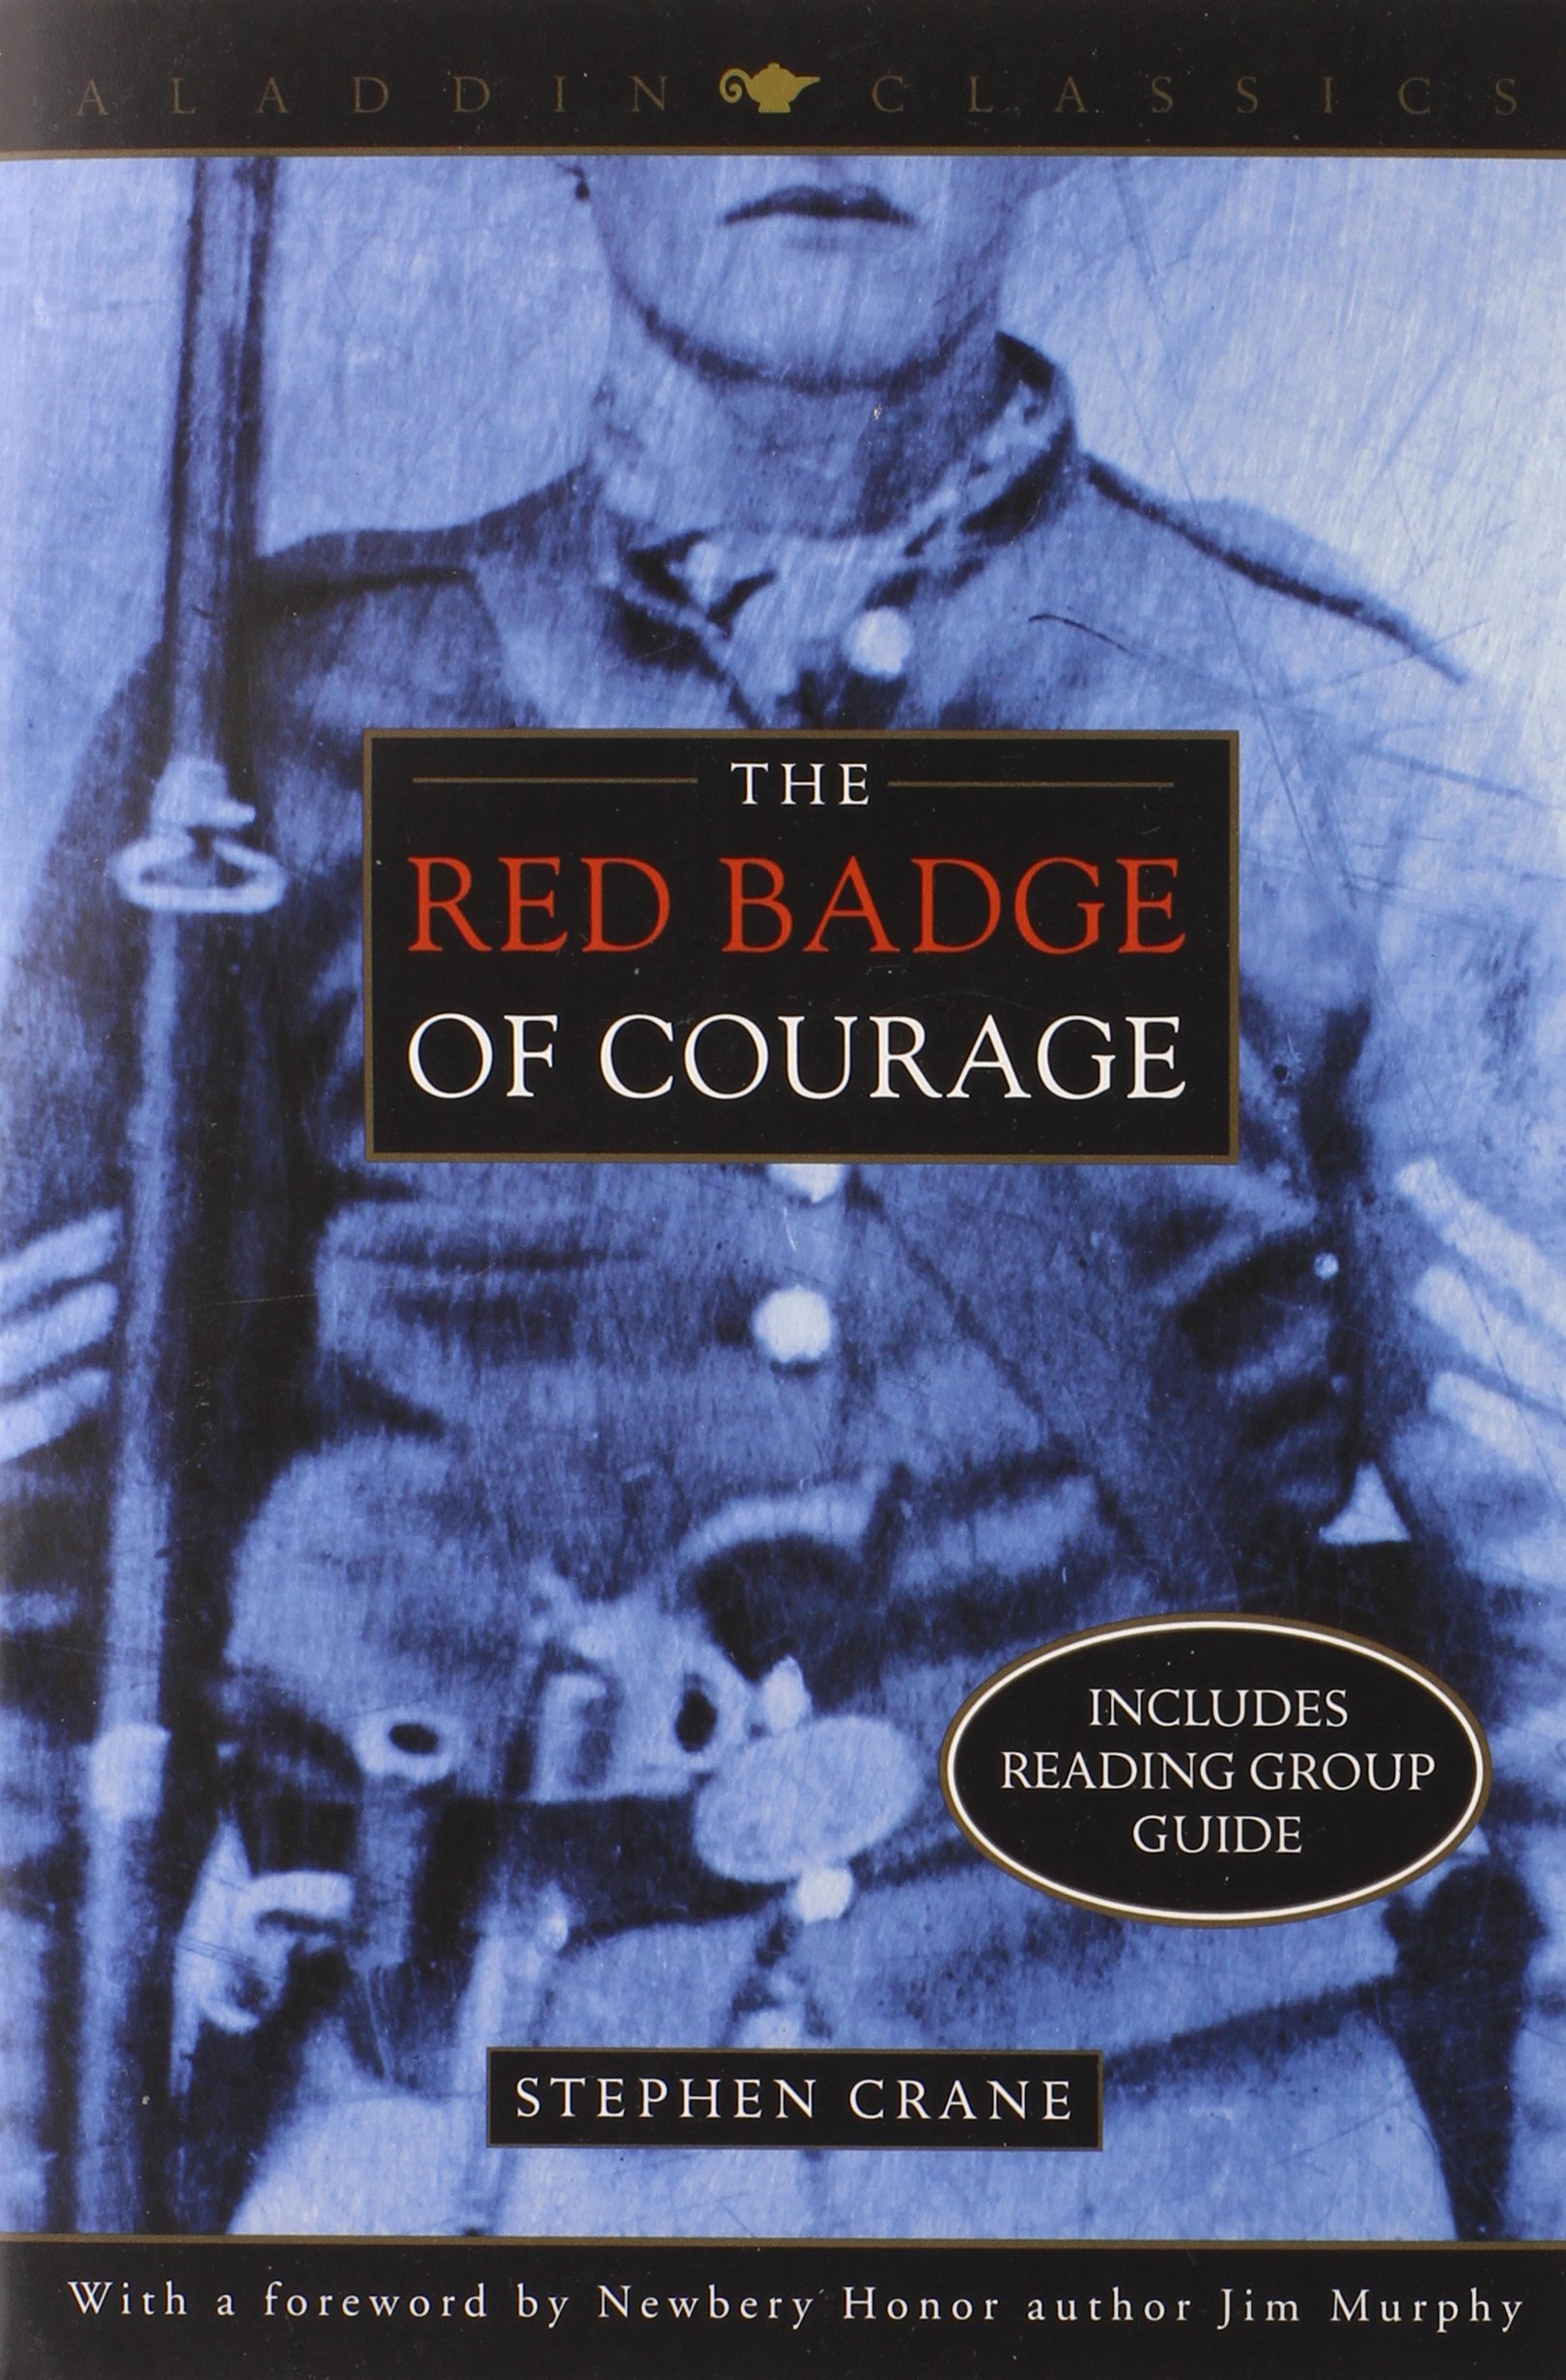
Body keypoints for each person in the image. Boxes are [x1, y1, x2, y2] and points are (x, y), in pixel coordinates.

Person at [2, 155, 1560, 2239]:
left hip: (1200, 2176)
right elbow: (28, 1621)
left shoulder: (1338, 740)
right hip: (468, 2166)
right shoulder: (264, 747)